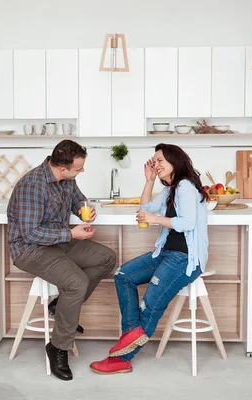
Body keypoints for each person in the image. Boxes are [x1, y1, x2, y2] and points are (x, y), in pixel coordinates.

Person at [90, 143, 209, 375]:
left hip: (184, 259)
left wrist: (155, 219)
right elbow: (145, 207)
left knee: (149, 306)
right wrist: (149, 180)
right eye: (154, 161)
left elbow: (187, 223)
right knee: (123, 275)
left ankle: (121, 358)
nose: (156, 164)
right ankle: (129, 339)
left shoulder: (185, 185)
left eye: (160, 160)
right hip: (165, 253)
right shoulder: (172, 187)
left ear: (175, 161)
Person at [7, 140, 117, 381]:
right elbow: (31, 233)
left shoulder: (67, 179)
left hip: (59, 243)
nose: (82, 171)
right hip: (30, 250)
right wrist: (70, 233)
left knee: (107, 258)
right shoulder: (32, 186)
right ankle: (57, 347)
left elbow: (78, 199)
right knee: (76, 283)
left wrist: (84, 210)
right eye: (79, 168)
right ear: (63, 167)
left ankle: (60, 307)